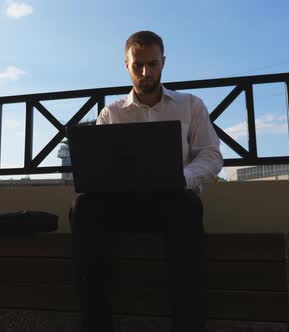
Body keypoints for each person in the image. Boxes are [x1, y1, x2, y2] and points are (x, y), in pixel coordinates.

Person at [70, 31, 223, 332]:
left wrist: (181, 178)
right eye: (138, 65)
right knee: (83, 207)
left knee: (188, 207)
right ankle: (96, 324)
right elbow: (98, 167)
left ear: (163, 62)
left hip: (172, 202)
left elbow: (211, 156)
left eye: (152, 64)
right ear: (126, 65)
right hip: (122, 206)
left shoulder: (190, 105)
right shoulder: (111, 113)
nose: (145, 72)